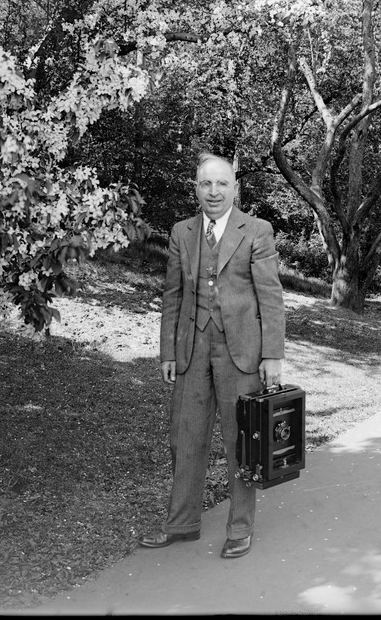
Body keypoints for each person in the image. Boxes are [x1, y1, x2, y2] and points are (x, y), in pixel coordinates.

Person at [138, 153, 285, 559]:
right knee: (184, 438)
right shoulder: (181, 232)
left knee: (242, 442)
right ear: (196, 188)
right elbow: (172, 296)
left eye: (222, 184)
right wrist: (168, 349)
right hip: (190, 348)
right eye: (206, 184)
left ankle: (240, 528)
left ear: (235, 187)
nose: (214, 192)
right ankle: (181, 524)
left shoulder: (257, 230)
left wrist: (272, 354)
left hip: (241, 352)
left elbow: (271, 295)